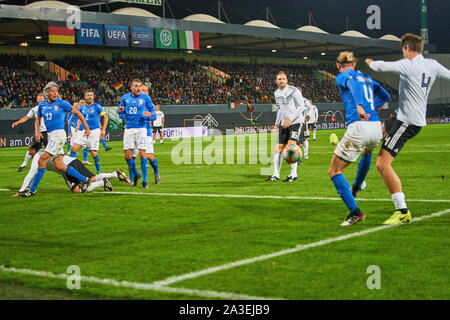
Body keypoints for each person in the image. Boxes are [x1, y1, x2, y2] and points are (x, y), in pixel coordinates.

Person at [366, 33, 450, 224]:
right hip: (404, 118)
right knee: (374, 133)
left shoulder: (408, 65)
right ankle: (359, 181)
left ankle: (402, 211)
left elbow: (385, 66)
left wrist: (370, 63)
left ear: (408, 49)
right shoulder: (433, 65)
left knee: (382, 164)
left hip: (407, 122)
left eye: (403, 50)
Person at [329, 51, 390, 226]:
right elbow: (385, 95)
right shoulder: (366, 77)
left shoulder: (342, 76)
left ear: (338, 65)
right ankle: (356, 187)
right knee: (367, 152)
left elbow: (352, 84)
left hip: (359, 125)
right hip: (375, 126)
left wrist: (359, 107)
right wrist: (371, 108)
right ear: (355, 64)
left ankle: (355, 212)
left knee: (334, 171)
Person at [19, 82, 92, 197]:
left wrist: (87, 128)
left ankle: (32, 190)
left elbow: (78, 113)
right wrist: (37, 131)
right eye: (52, 91)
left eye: (56, 91)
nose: (55, 93)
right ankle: (85, 179)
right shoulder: (42, 105)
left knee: (41, 161)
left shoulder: (62, 103)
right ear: (47, 92)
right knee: (59, 165)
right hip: (50, 136)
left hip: (58, 136)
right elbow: (37, 118)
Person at [15, 141, 131, 195]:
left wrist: (22, 190)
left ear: (34, 150)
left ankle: (102, 183)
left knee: (77, 190)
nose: (28, 152)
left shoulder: (38, 156)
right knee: (93, 177)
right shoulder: (45, 151)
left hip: (67, 168)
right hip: (73, 161)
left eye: (29, 150)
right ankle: (115, 174)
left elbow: (31, 174)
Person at [265, 71, 307, 182]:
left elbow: (301, 107)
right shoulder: (276, 93)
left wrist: (290, 119)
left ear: (287, 80)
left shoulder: (294, 91)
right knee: (278, 149)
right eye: (279, 79)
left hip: (296, 122)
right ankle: (276, 175)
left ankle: (293, 174)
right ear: (276, 81)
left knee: (291, 147)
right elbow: (280, 110)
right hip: (284, 124)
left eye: (283, 78)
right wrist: (276, 123)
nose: (281, 80)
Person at [117, 79, 156, 189]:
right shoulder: (125, 98)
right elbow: (119, 112)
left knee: (142, 154)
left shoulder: (145, 98)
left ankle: (144, 181)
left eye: (139, 86)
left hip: (141, 129)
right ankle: (136, 173)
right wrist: (120, 111)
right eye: (136, 86)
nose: (138, 88)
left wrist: (148, 115)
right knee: (127, 155)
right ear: (131, 87)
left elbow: (153, 115)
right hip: (129, 129)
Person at [70, 90, 108, 174]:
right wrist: (77, 126)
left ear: (93, 97)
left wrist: (103, 129)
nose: (90, 96)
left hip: (94, 131)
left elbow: (105, 116)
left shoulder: (97, 106)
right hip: (84, 132)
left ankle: (99, 171)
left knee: (93, 153)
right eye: (88, 95)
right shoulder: (82, 107)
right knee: (74, 148)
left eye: (91, 95)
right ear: (85, 97)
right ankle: (72, 168)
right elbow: (80, 117)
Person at [12, 93, 47, 171]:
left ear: (45, 99)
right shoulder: (34, 109)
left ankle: (56, 164)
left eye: (42, 98)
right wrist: (17, 122)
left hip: (48, 132)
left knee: (50, 150)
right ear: (37, 100)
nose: (40, 100)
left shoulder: (49, 107)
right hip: (39, 132)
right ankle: (24, 164)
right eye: (39, 98)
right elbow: (26, 118)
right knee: (31, 148)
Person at [140, 84, 161, 185]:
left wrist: (149, 115)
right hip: (134, 131)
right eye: (142, 90)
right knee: (132, 156)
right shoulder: (134, 101)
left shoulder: (149, 104)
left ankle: (156, 172)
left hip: (146, 131)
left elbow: (153, 116)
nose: (143, 92)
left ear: (148, 92)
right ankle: (133, 180)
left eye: (145, 90)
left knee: (149, 156)